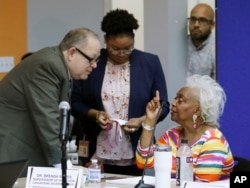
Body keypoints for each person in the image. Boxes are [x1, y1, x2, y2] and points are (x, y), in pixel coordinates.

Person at [71, 9, 169, 176]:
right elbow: (75, 102)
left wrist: (141, 121)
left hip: (135, 148)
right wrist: (95, 115)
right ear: (105, 41)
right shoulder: (93, 62)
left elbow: (164, 106)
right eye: (115, 49)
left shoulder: (149, 63)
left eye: (128, 49)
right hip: (95, 151)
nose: (121, 54)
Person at [0, 27, 101, 176]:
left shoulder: (57, 65)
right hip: (12, 152)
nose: (95, 65)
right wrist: (65, 167)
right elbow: (47, 117)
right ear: (72, 52)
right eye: (91, 59)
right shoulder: (48, 65)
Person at [136, 74, 234, 182]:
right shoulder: (171, 135)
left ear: (197, 110)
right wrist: (150, 121)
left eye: (181, 100)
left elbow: (202, 186)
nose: (173, 103)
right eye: (175, 99)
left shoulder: (213, 141)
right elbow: (143, 162)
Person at [187, 3, 216, 79]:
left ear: (212, 25)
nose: (196, 24)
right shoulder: (180, 44)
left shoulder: (216, 50)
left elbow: (216, 88)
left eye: (202, 20)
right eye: (193, 19)